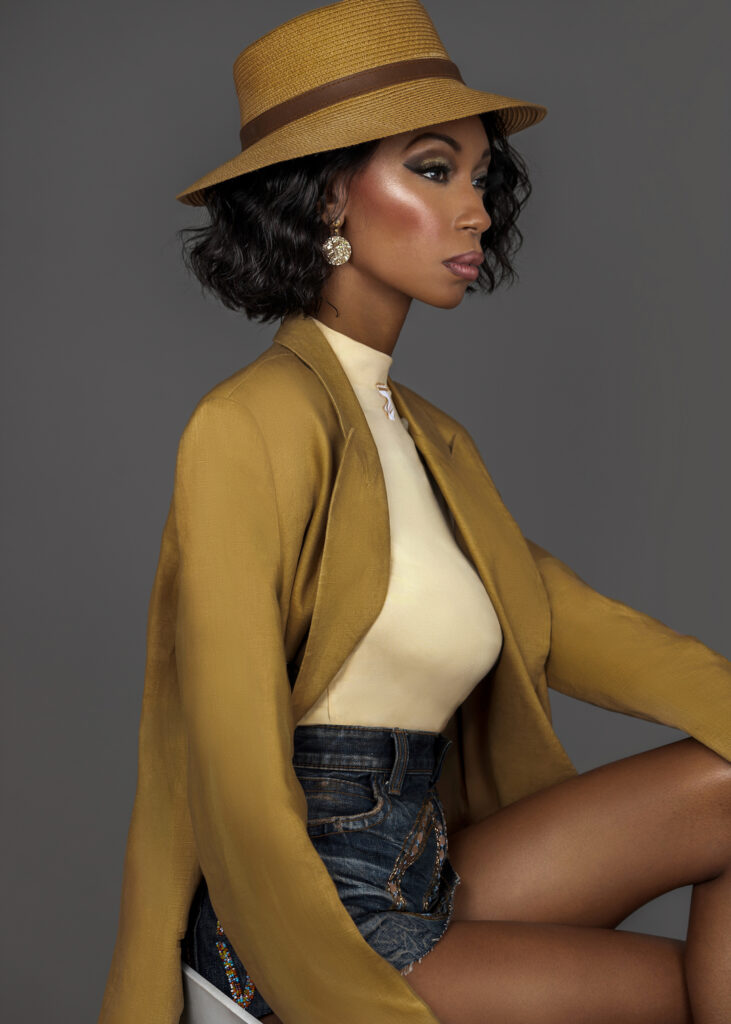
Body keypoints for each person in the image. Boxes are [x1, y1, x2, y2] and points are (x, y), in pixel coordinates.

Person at [97, 2, 731, 1023]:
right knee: (676, 997)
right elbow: (233, 775)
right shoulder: (246, 425)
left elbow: (564, 619)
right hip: (297, 920)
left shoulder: (426, 438)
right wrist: (321, 979)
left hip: (426, 866)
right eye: (432, 169)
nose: (475, 209)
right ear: (324, 198)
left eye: (479, 176)